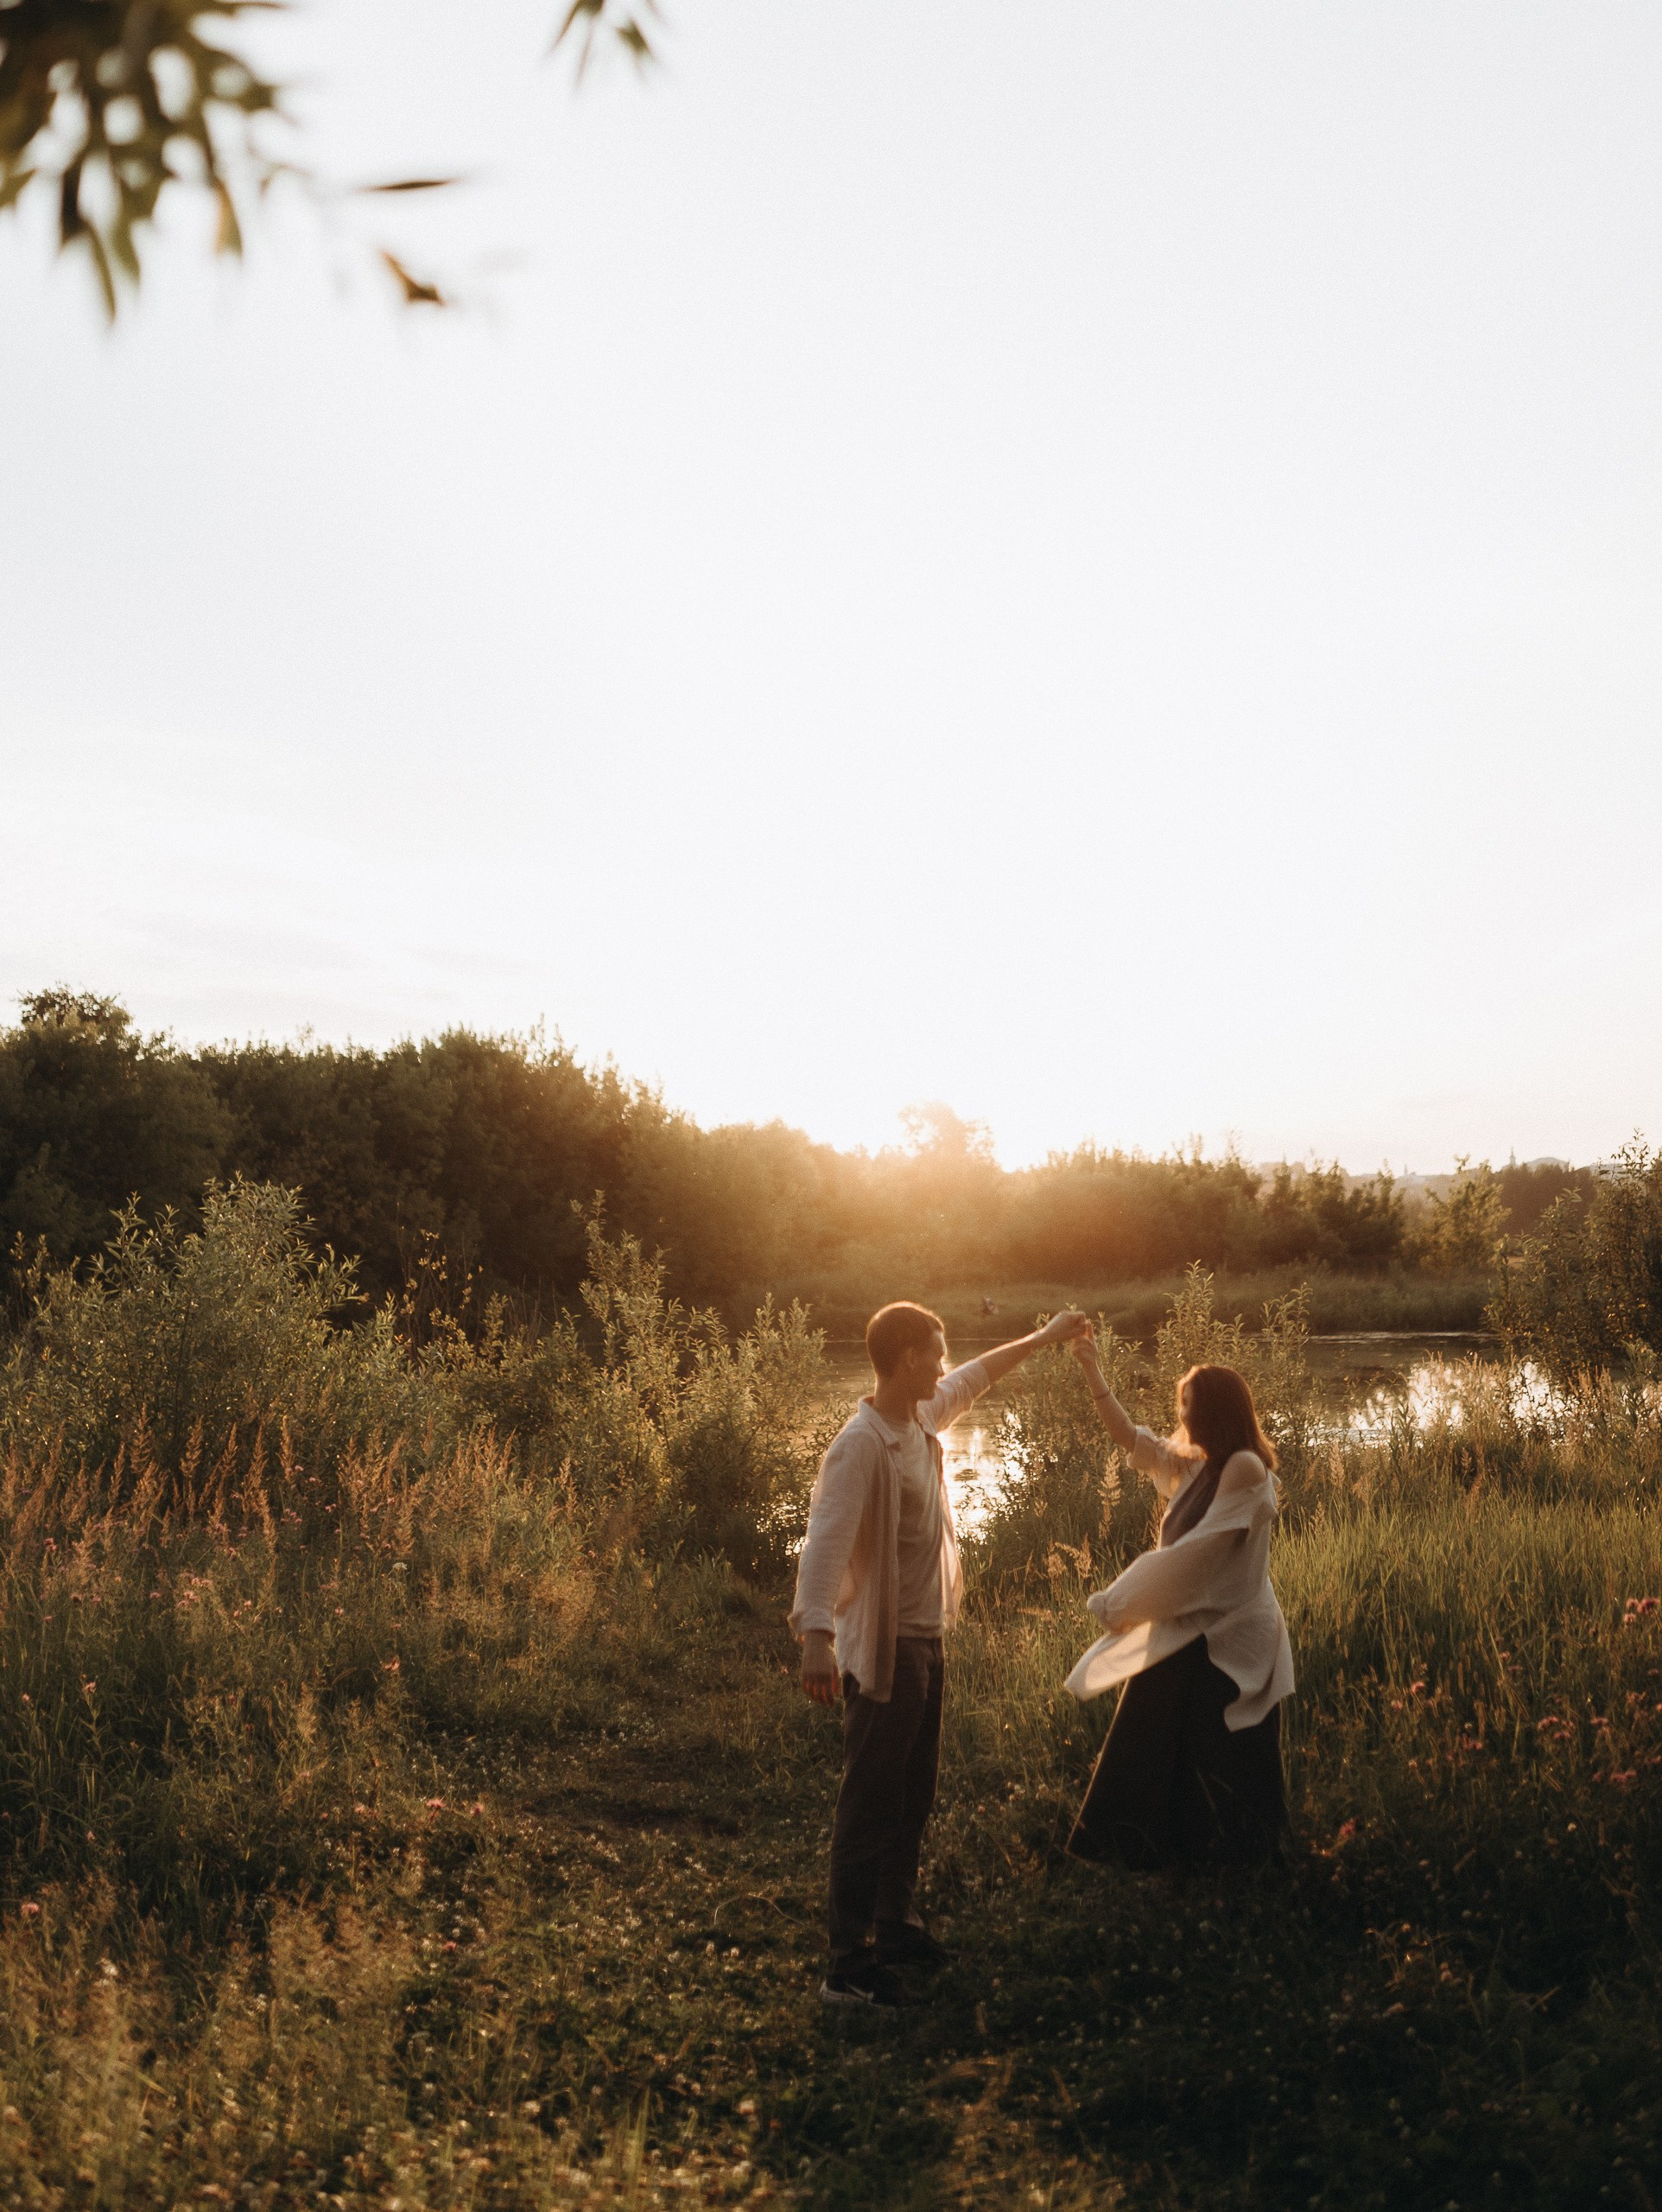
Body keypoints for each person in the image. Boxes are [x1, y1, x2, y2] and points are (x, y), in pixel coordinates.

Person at [791, 1300, 1090, 2009]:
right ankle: (847, 1965)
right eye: (936, 1351)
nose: (945, 1363)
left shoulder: (919, 1419)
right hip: (886, 1647)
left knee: (912, 1795)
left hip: (927, 1639)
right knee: (870, 1802)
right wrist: (815, 1638)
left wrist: (1045, 1334)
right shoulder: (861, 1444)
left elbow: (980, 1377)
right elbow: (825, 1541)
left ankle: (896, 1927)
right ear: (904, 1361)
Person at [1061, 1338, 1293, 1873]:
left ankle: (1238, 1866)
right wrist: (1093, 1370)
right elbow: (1130, 1439)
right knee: (1154, 1736)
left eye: (1187, 1403)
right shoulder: (1195, 1466)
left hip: (1230, 1634)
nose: (1179, 1413)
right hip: (1190, 1626)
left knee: (1224, 1751)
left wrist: (1124, 1600)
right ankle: (1156, 1857)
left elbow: (1196, 1555)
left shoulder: (1242, 1468)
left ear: (1213, 1409)